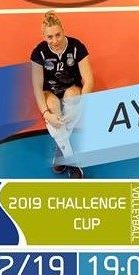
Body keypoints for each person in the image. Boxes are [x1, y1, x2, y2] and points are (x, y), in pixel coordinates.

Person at [30, 11, 93, 179]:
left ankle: (60, 149)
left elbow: (88, 80)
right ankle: (72, 161)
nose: (55, 40)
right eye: (49, 37)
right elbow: (37, 87)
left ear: (63, 30)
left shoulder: (77, 47)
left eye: (58, 35)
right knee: (53, 109)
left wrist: (81, 105)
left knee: (72, 100)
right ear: (44, 36)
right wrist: (46, 114)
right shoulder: (39, 53)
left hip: (71, 88)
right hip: (49, 91)